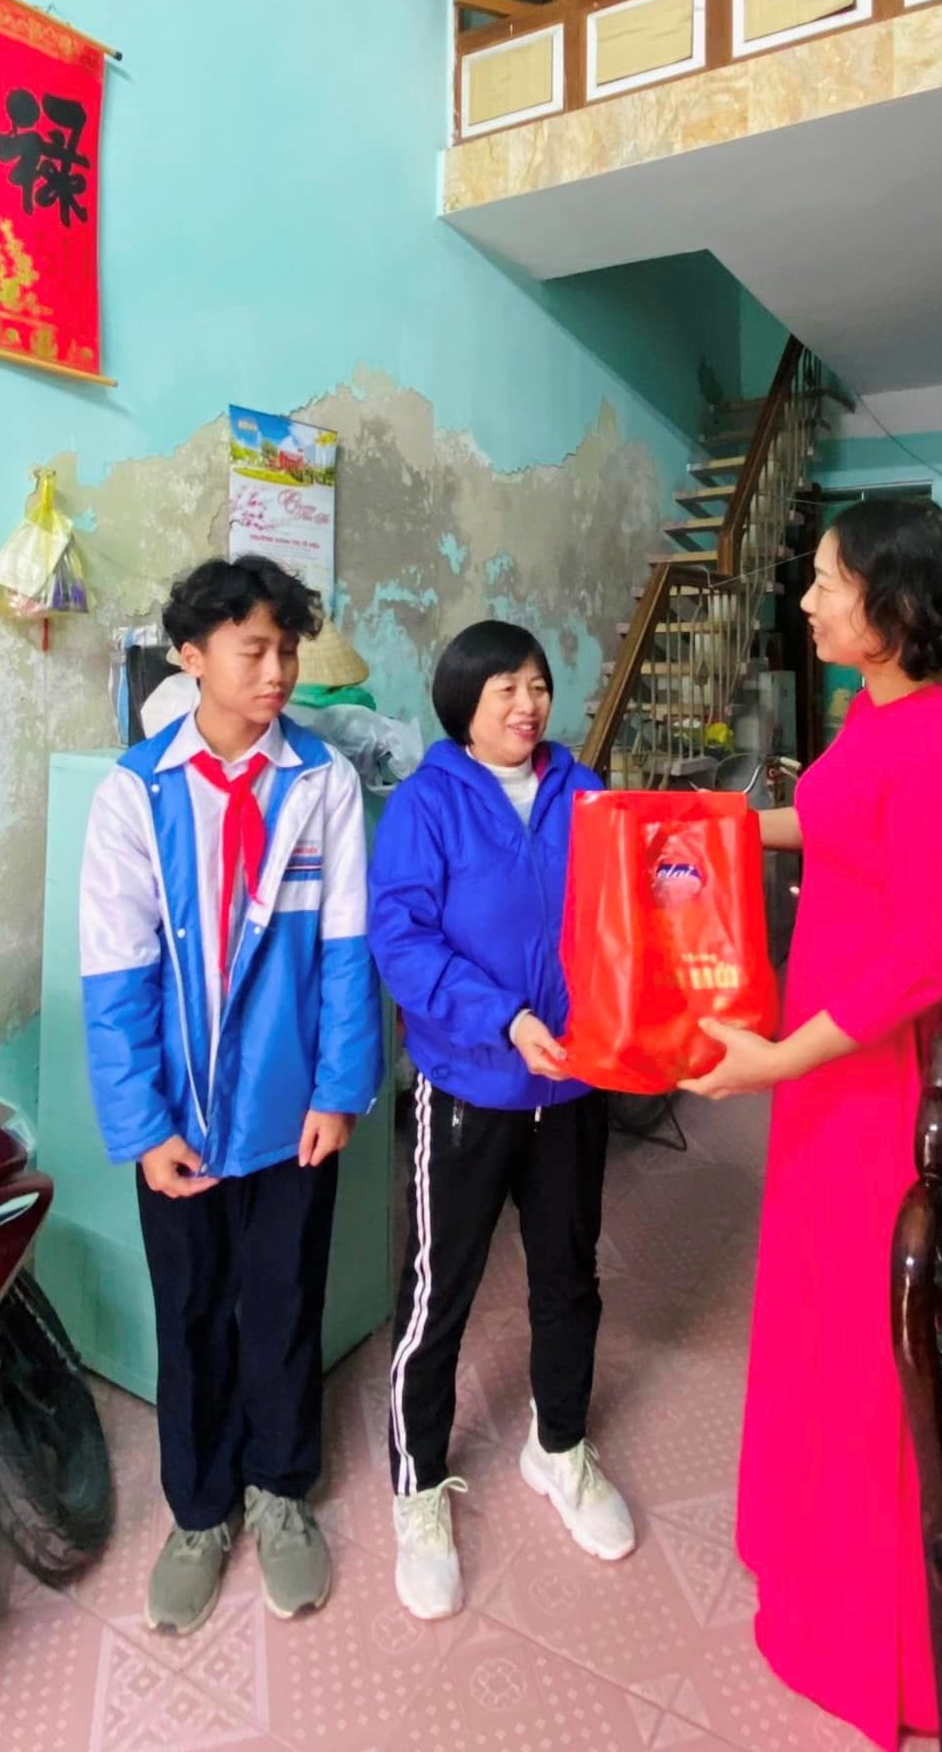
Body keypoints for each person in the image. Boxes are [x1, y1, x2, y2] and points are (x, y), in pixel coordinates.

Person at [679, 498, 942, 1750]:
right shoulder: (877, 709)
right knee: (812, 1315)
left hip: (867, 1084)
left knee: (866, 1351)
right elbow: (833, 818)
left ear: (893, 608)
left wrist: (771, 1061)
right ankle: (803, 1549)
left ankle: (876, 1644)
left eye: (824, 582)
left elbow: (918, 959)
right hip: (823, 1068)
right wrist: (712, 824)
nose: (804, 600)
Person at [80, 555, 383, 1636]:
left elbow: (346, 950)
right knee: (192, 1310)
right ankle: (200, 1510)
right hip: (179, 1120)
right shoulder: (135, 794)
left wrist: (340, 1089)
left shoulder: (321, 783)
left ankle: (280, 1490)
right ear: (191, 656)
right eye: (253, 649)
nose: (277, 671)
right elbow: (115, 977)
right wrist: (141, 1125)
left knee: (286, 1301)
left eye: (286, 650)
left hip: (293, 1112)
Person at [368, 620, 636, 1622]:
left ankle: (557, 1446)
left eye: (536, 684)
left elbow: (630, 915)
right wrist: (504, 1018)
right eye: (504, 691)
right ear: (462, 708)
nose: (528, 705)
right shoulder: (426, 805)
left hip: (571, 1087)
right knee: (440, 1292)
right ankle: (416, 1487)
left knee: (568, 1276)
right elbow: (401, 940)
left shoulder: (584, 790)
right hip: (470, 1084)